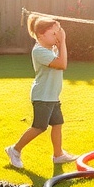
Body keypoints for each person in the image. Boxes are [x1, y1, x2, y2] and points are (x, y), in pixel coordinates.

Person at [6, 15, 78, 168]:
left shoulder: (50, 48)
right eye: (53, 34)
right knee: (40, 127)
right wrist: (63, 42)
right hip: (42, 96)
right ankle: (14, 150)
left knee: (57, 123)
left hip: (52, 95)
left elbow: (60, 59)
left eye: (57, 34)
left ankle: (58, 155)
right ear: (40, 36)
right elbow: (62, 64)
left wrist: (57, 34)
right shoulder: (39, 51)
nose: (57, 37)